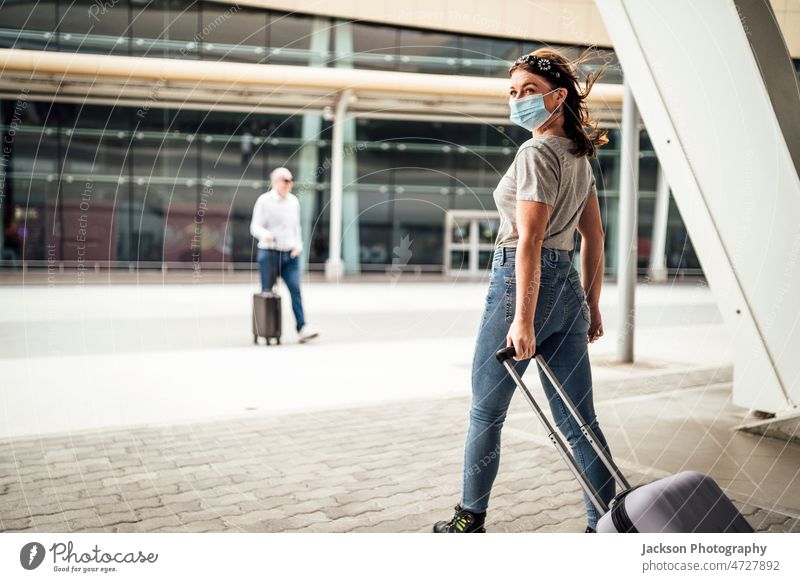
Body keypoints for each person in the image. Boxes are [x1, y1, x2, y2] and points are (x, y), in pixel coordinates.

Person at [433, 47, 615, 533]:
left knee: (486, 412)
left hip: (522, 286)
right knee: (581, 424)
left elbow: (529, 240)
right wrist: (590, 304)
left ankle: (469, 520)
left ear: (557, 97)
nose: (518, 100)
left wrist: (522, 319)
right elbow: (593, 236)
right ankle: (606, 527)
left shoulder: (536, 151)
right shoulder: (578, 153)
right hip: (568, 290)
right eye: (513, 92)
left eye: (528, 91)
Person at [250, 167, 319, 343]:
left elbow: (297, 229)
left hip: (290, 255)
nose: (289, 184)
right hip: (269, 253)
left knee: (296, 290)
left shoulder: (294, 202)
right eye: (285, 180)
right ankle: (267, 329)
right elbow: (255, 227)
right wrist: (266, 235)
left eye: (290, 180)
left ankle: (302, 327)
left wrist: (299, 246)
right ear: (275, 181)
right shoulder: (264, 201)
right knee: (268, 293)